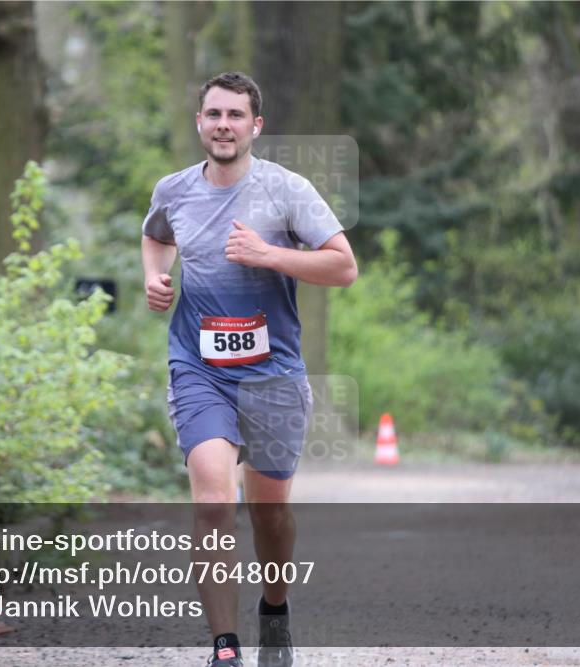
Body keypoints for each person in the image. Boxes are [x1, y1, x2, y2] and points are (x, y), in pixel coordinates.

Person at [141, 71, 357, 667]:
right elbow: (155, 236)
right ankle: (224, 648)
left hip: (273, 373)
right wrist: (154, 278)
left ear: (255, 126)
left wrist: (270, 255)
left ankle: (276, 609)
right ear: (199, 122)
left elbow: (343, 267)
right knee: (213, 500)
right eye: (214, 114)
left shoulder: (287, 190)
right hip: (198, 366)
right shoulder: (175, 190)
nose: (224, 125)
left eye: (236, 116)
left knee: (271, 514)